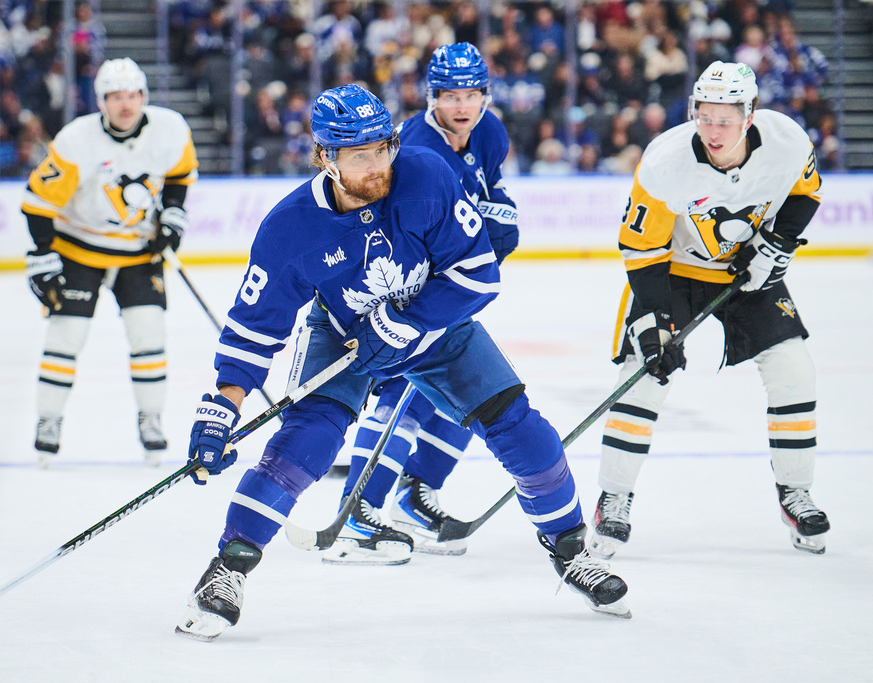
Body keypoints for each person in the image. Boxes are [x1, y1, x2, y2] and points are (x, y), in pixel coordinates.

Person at [175, 84, 630, 643]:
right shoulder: (289, 227)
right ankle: (228, 568)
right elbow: (254, 329)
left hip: (438, 329)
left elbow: (479, 273)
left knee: (525, 431)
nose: (378, 166)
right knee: (303, 445)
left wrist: (408, 322)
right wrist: (223, 406)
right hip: (344, 336)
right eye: (359, 155)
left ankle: (570, 551)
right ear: (325, 157)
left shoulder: (425, 175)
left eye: (383, 147)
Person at [589, 61, 830, 559]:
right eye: (705, 116)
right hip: (673, 273)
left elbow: (806, 194)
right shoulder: (666, 161)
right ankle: (613, 497)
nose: (713, 129)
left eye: (725, 118)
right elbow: (642, 249)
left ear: (750, 114)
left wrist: (777, 243)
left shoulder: (786, 140)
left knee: (794, 371)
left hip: (749, 273)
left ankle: (795, 492)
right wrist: (653, 321)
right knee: (643, 375)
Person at [328, 42, 519, 563]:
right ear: (432, 96)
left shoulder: (490, 132)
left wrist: (499, 213)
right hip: (408, 289)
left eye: (471, 93)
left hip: (456, 287)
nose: (461, 105)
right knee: (399, 397)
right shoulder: (415, 144)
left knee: (460, 394)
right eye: (449, 94)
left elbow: (492, 194)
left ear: (485, 95)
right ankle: (358, 507)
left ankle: (416, 495)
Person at [21, 57, 198, 468]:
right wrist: (43, 255)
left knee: (149, 335)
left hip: (138, 253)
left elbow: (180, 177)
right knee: (67, 336)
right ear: (101, 101)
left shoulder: (170, 129)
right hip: (79, 249)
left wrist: (172, 216)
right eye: (116, 96)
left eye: (133, 95)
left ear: (144, 97)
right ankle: (49, 420)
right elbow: (37, 202)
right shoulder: (76, 141)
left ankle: (151, 419)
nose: (126, 104)